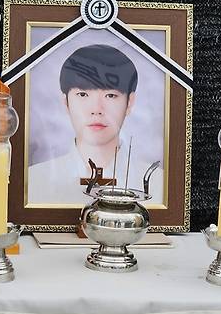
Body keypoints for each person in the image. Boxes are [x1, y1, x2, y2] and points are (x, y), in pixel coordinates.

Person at [28, 44, 164, 205]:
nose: (96, 110)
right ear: (66, 102)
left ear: (129, 102)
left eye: (111, 95)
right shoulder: (33, 180)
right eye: (83, 94)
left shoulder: (159, 184)